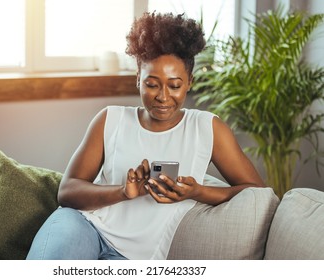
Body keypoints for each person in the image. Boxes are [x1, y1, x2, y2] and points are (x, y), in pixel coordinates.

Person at [26, 12, 265, 260]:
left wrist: (197, 193)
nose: (163, 96)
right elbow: (67, 192)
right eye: (152, 84)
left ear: (190, 82)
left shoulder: (207, 128)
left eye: (174, 85)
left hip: (134, 259)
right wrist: (123, 192)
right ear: (138, 78)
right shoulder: (110, 119)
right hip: (83, 227)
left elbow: (257, 193)